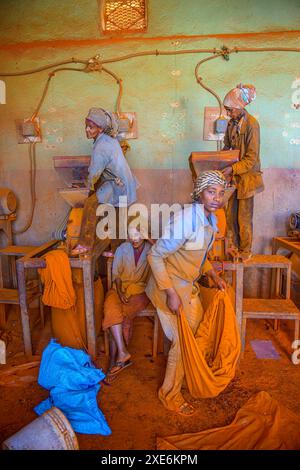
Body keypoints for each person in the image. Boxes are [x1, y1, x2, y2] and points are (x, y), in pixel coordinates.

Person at [145, 171, 227, 416]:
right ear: (199, 193)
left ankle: (190, 376)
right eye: (211, 191)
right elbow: (155, 255)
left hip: (186, 287)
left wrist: (212, 274)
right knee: (183, 342)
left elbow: (198, 255)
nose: (217, 198)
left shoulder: (209, 218)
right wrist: (170, 293)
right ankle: (169, 394)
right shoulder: (187, 219)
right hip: (168, 288)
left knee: (199, 332)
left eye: (221, 193)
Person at [71, 108, 137, 256]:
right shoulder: (110, 140)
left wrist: (87, 187)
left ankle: (85, 244)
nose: (87, 130)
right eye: (86, 126)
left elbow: (94, 174)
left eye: (91, 127)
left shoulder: (101, 146)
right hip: (126, 183)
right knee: (118, 216)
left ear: (100, 129)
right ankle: (116, 250)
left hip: (117, 184)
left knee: (90, 204)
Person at [102, 223, 152, 383]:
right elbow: (116, 273)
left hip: (140, 291)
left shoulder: (152, 250)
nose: (134, 239)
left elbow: (164, 255)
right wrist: (120, 291)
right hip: (120, 288)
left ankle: (116, 360)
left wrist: (150, 239)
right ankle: (122, 353)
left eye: (138, 235)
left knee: (124, 316)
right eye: (131, 235)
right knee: (110, 307)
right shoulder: (123, 248)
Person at [221, 84, 264, 262]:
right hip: (234, 179)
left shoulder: (252, 125)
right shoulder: (232, 124)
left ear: (239, 107)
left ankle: (245, 251)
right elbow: (226, 147)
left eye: (230, 110)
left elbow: (251, 158)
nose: (228, 114)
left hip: (247, 178)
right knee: (230, 216)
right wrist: (219, 162)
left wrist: (232, 168)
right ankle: (233, 249)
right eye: (227, 110)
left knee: (243, 218)